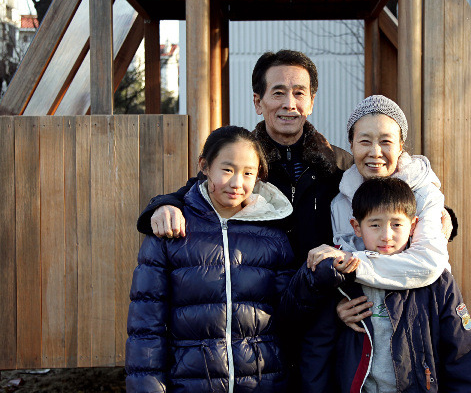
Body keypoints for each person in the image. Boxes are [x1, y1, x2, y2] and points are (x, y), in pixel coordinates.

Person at [125, 126, 295, 393]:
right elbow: (146, 330)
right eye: (227, 169)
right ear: (204, 166)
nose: (237, 183)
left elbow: (290, 316)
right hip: (189, 391)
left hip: (262, 390)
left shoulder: (273, 237)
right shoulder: (170, 230)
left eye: (248, 173)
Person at [137, 50, 353, 265]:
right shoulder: (240, 162)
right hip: (259, 283)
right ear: (258, 102)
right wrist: (165, 205)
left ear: (311, 102)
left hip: (324, 284)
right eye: (278, 93)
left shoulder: (340, 164)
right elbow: (195, 192)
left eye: (299, 93)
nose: (289, 104)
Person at [284, 177, 471, 393]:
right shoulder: (340, 280)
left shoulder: (437, 282)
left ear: (413, 226)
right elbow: (317, 351)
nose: (386, 236)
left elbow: (461, 353)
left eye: (397, 224)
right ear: (356, 227)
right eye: (375, 225)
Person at [306, 95, 452, 332]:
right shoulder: (341, 202)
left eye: (386, 142)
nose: (375, 152)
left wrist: (350, 263)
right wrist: (340, 306)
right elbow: (342, 277)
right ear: (351, 145)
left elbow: (428, 262)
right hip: (367, 328)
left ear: (401, 146)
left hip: (423, 320)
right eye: (365, 141)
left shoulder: (425, 194)